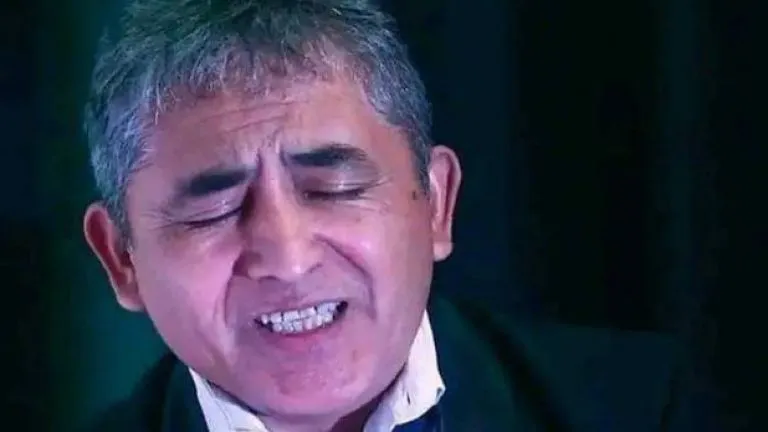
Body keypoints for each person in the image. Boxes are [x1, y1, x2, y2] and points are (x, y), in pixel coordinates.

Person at [81, 1, 710, 430]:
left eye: (333, 188)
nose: (289, 257)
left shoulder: (653, 408)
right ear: (120, 259)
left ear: (436, 203)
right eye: (213, 210)